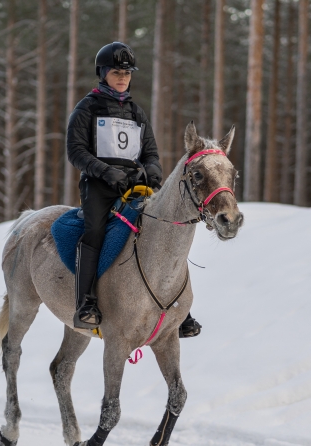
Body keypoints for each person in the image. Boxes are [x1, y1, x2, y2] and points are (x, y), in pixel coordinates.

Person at [66, 42, 201, 337]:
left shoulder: (136, 112)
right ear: (102, 73)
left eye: (127, 73)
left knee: (162, 232)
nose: (123, 77)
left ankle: (181, 310)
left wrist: (153, 171)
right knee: (95, 234)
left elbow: (150, 152)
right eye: (117, 72)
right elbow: (76, 151)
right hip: (99, 187)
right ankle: (86, 303)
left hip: (135, 185)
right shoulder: (87, 108)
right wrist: (106, 172)